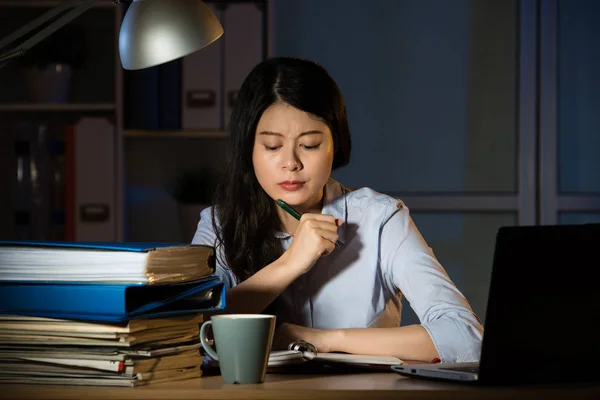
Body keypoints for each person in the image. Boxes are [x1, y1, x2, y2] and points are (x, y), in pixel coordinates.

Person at [192, 57, 483, 363]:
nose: (291, 163)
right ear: (249, 148)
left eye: (310, 144)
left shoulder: (380, 219)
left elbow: (465, 338)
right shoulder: (219, 223)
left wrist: (324, 340)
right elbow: (188, 332)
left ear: (336, 144)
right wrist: (291, 262)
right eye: (272, 146)